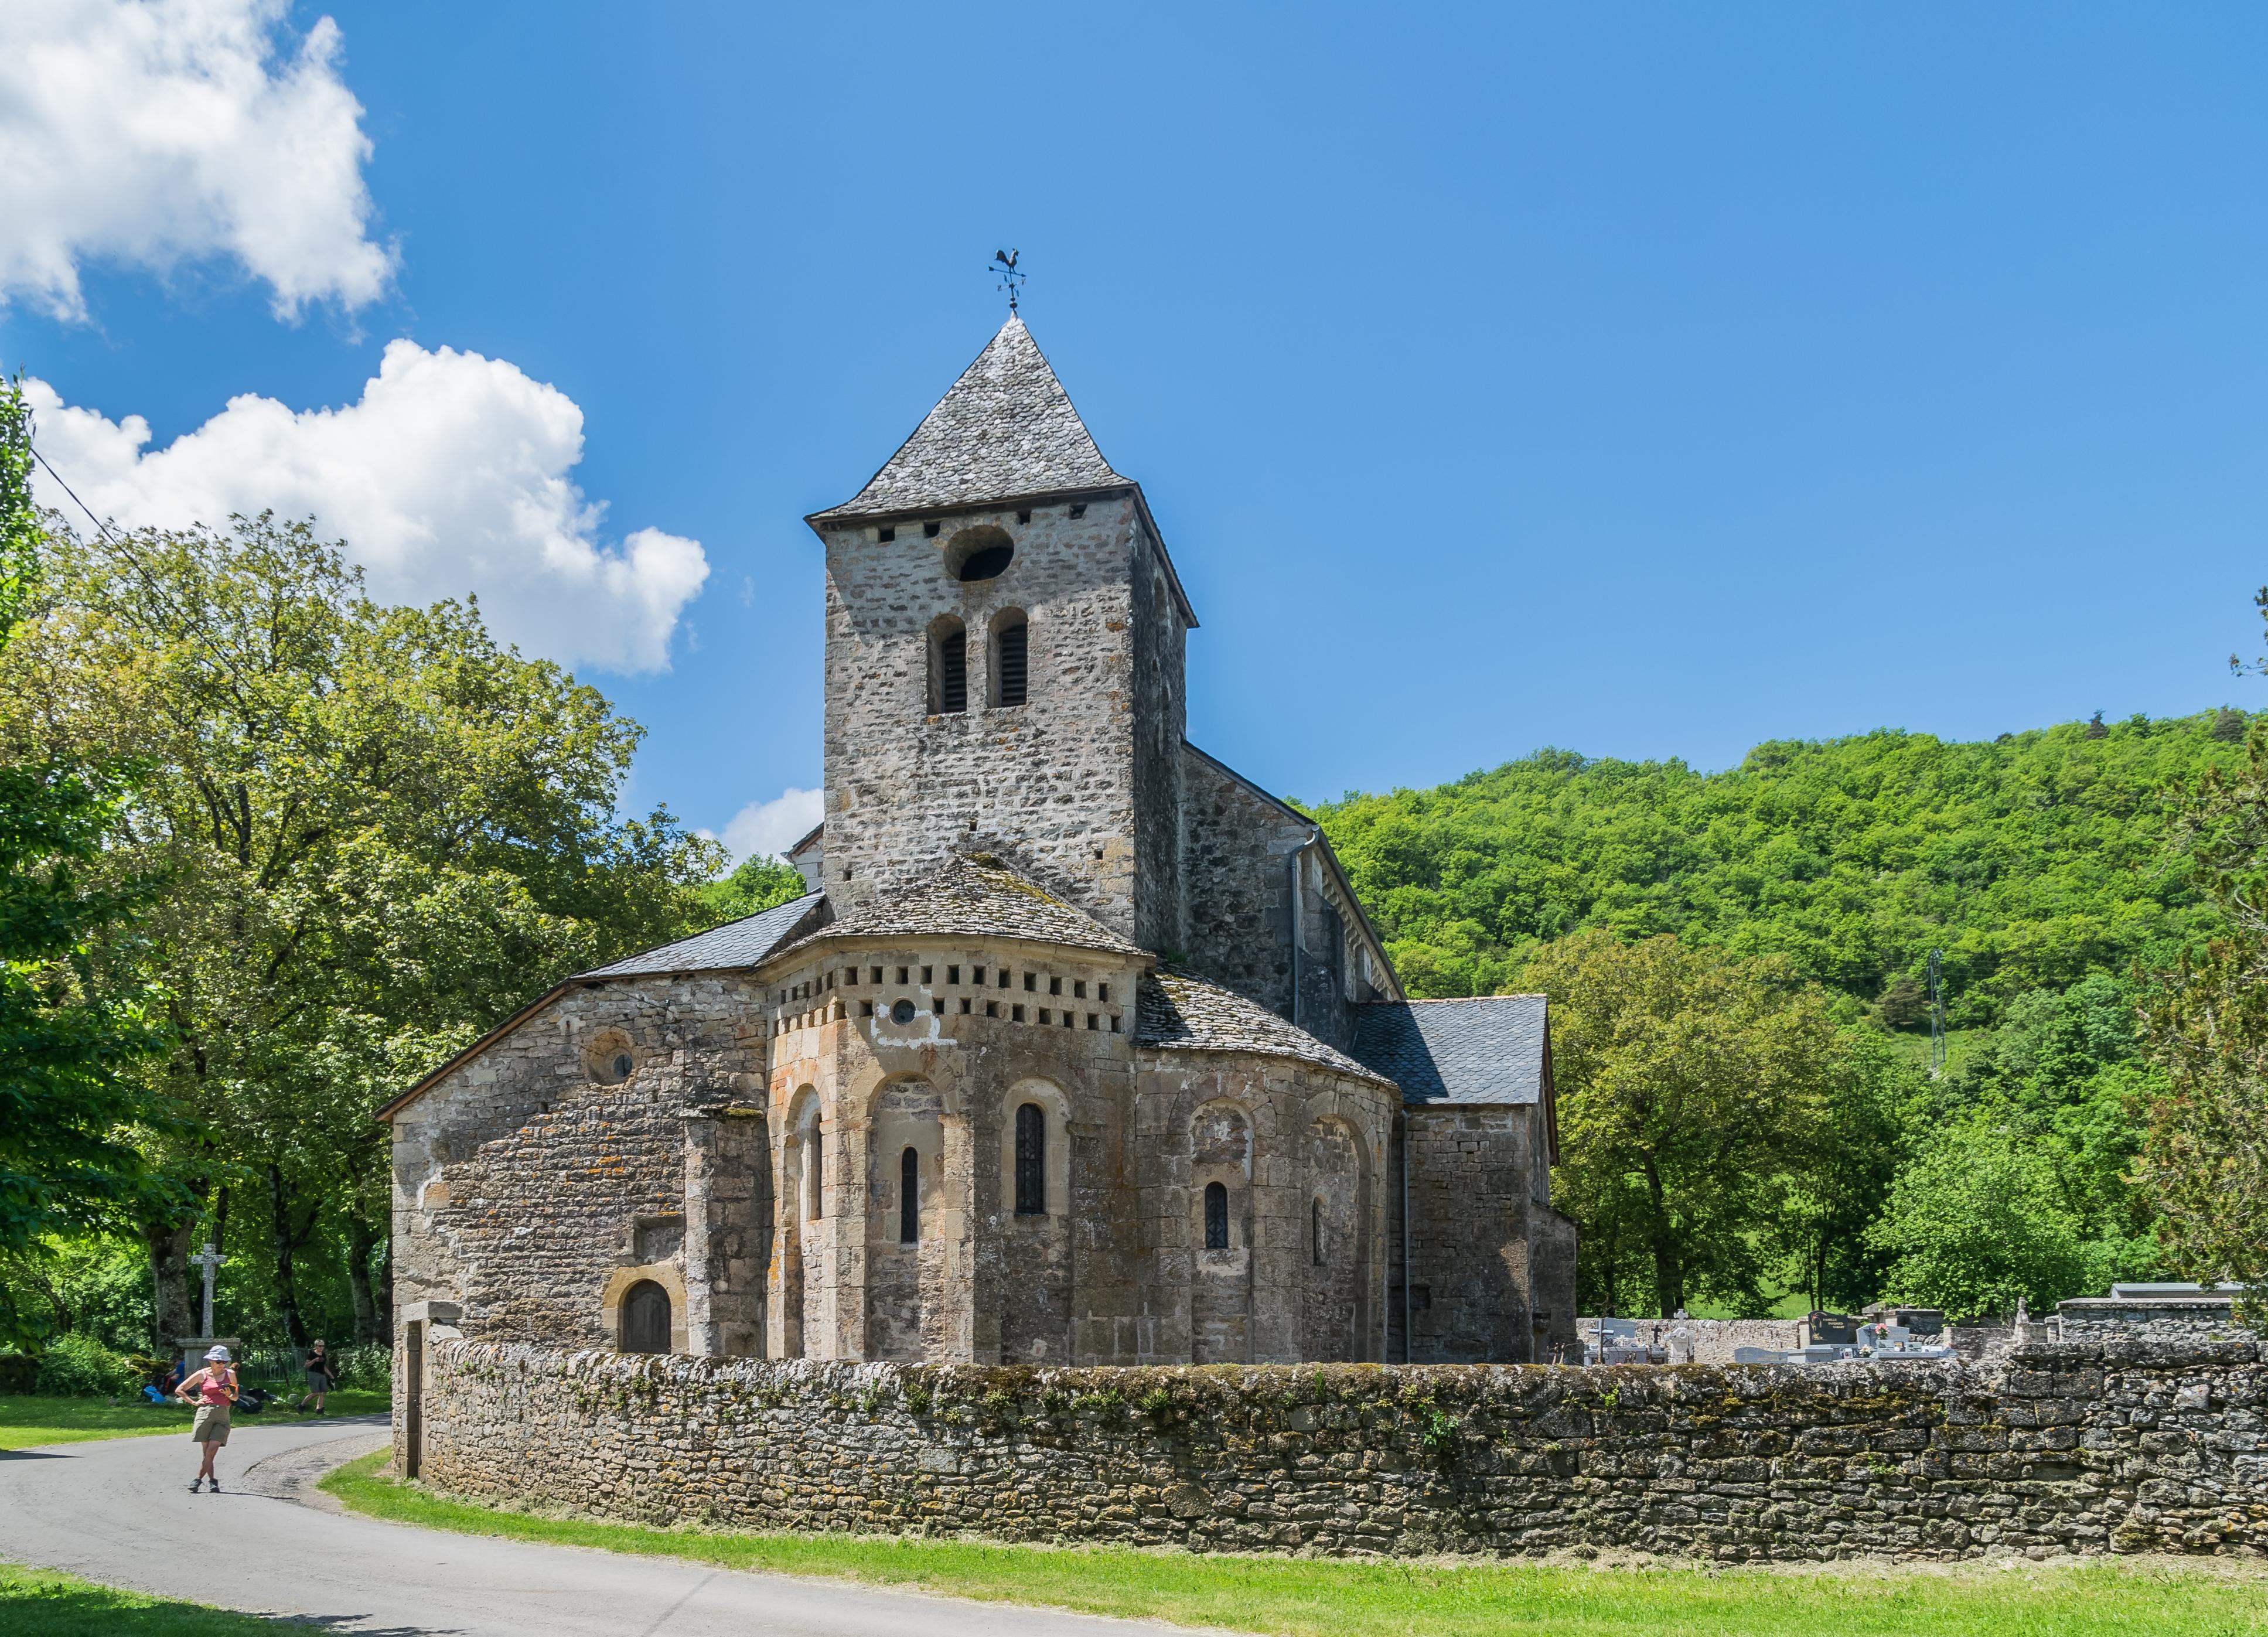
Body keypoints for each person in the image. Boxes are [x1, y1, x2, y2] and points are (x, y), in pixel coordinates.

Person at [173, 1346, 237, 1493]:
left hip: (223, 1415)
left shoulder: (231, 1374)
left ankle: (197, 1479)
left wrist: (229, 1395)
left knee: (212, 1450)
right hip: (204, 1414)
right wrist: (194, 1402)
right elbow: (179, 1390)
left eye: (224, 1362)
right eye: (219, 1361)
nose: (222, 1364)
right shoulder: (202, 1375)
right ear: (211, 1361)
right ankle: (213, 1482)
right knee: (207, 1452)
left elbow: (235, 1397)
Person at [294, 1340, 336, 1414]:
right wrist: (314, 1360)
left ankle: (319, 1409)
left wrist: (331, 1375)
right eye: (320, 1346)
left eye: (323, 1346)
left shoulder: (323, 1354)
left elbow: (324, 1366)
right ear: (316, 1346)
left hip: (322, 1374)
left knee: (323, 1392)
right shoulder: (312, 1354)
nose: (322, 1348)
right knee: (316, 1393)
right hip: (313, 1374)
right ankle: (301, 1405)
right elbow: (306, 1365)